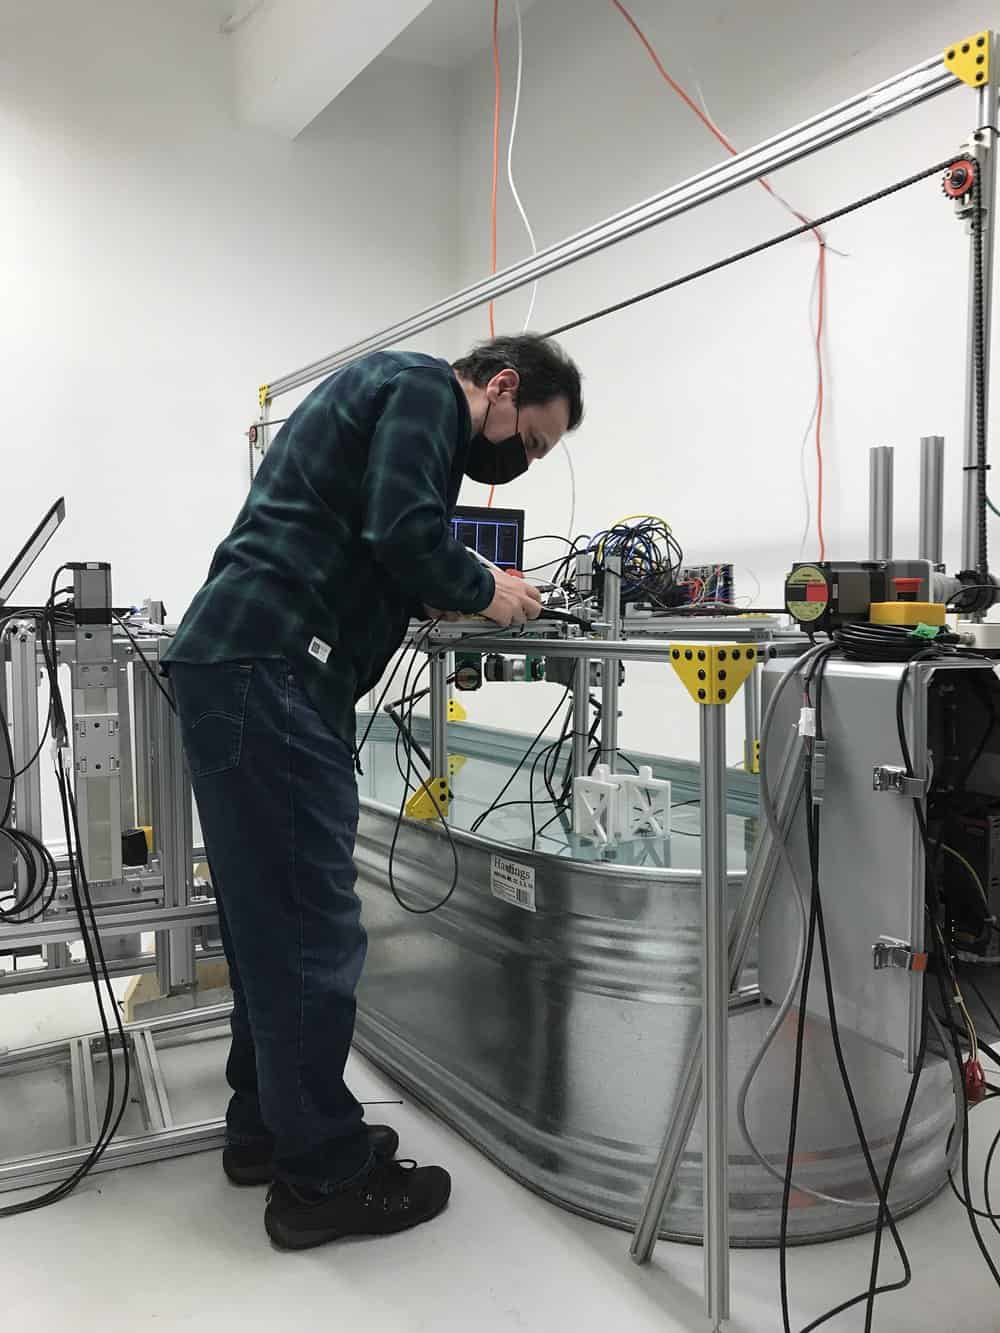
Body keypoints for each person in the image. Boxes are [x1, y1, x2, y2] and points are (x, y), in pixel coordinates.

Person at [162, 334, 584, 1250]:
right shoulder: (430, 391)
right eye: (532, 443)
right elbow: (403, 530)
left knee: (269, 926)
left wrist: (432, 593)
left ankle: (269, 1130)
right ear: (503, 387)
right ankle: (325, 1176)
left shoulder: (386, 392)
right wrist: (491, 591)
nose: (517, 466)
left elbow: (373, 539)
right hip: (271, 668)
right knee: (314, 927)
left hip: (242, 662)